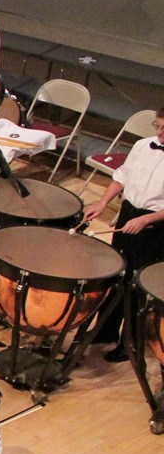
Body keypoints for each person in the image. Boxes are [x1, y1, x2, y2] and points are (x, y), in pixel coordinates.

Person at [85, 108, 164, 360]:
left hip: (156, 225)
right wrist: (102, 203)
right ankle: (105, 330)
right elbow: (122, 177)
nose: (160, 134)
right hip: (129, 213)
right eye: (157, 126)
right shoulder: (142, 145)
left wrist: (147, 219)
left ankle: (131, 343)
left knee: (138, 284)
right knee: (118, 273)